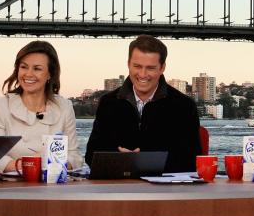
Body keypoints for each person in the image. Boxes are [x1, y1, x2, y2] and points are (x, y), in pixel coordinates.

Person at [86, 35, 201, 174]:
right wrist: (118, 158)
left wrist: (144, 160)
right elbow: (91, 155)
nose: (142, 74)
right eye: (137, 66)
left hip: (166, 191)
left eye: (150, 68)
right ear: (128, 64)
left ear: (162, 67)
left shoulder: (184, 106)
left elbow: (191, 159)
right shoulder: (108, 103)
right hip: (118, 189)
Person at [0, 40, 83, 173]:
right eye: (24, 67)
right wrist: (30, 165)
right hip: (12, 187)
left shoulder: (64, 107)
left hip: (52, 187)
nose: (28, 74)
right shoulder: (0, 106)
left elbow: (75, 157)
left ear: (50, 74)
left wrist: (51, 162)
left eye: (37, 68)